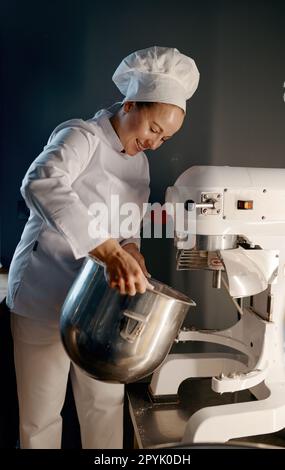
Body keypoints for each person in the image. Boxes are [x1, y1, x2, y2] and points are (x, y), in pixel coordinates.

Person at [6, 46, 199, 449]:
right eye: (153, 129)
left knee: (105, 406)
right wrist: (108, 251)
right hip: (44, 292)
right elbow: (40, 183)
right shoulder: (81, 135)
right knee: (40, 420)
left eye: (165, 137)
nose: (155, 143)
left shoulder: (140, 163)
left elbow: (129, 224)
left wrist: (131, 248)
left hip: (100, 306)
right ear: (130, 104)